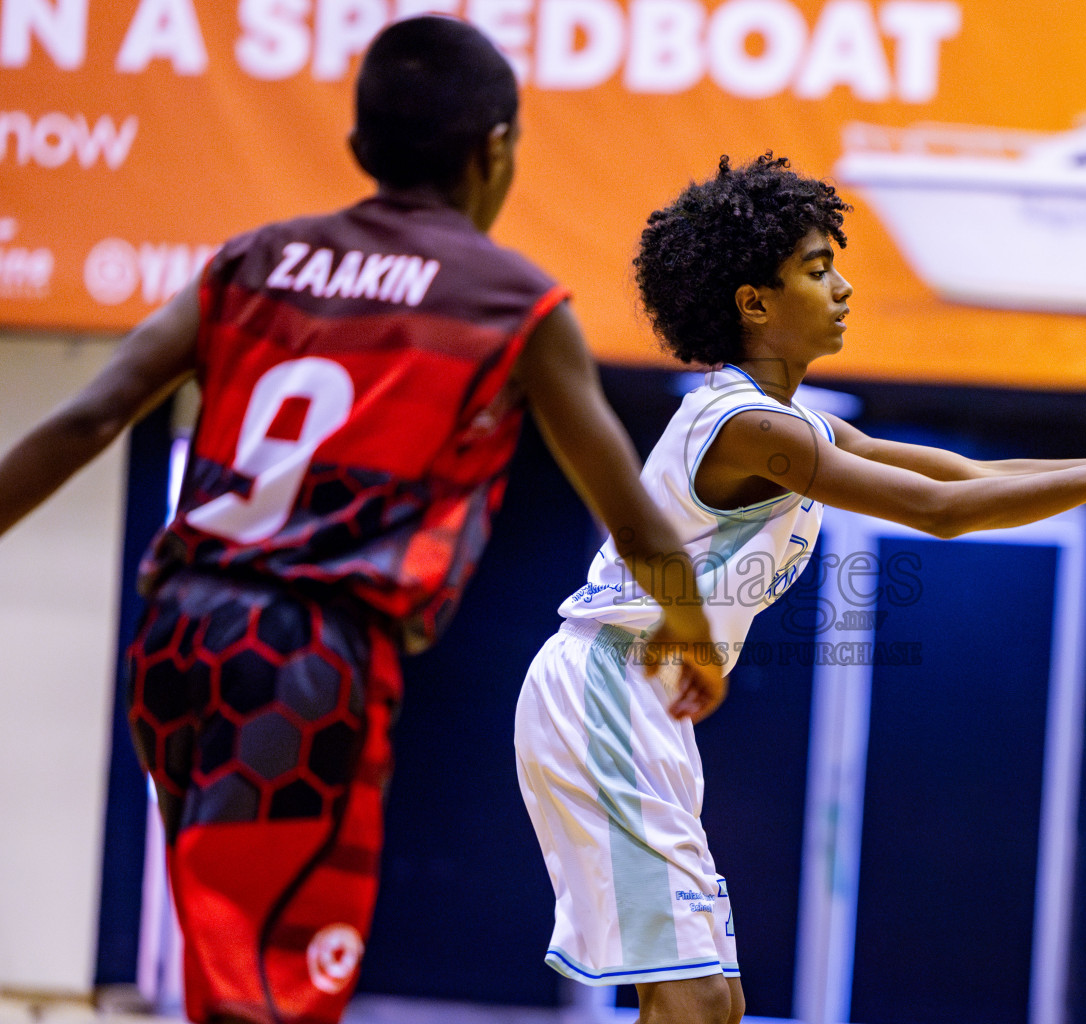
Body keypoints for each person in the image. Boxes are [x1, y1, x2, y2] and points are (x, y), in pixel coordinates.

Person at [0, 16, 724, 1024]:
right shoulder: (511, 299)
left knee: (232, 966)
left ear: (357, 150)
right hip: (303, 655)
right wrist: (694, 632)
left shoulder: (252, 261)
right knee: (276, 995)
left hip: (175, 640)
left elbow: (88, 415)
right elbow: (636, 519)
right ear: (497, 151)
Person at [512, 153, 1086, 1024]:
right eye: (819, 270)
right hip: (605, 690)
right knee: (693, 998)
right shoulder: (748, 427)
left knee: (717, 1000)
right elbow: (940, 510)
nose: (845, 287)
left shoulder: (794, 423)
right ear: (754, 303)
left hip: (643, 702)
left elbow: (962, 472)